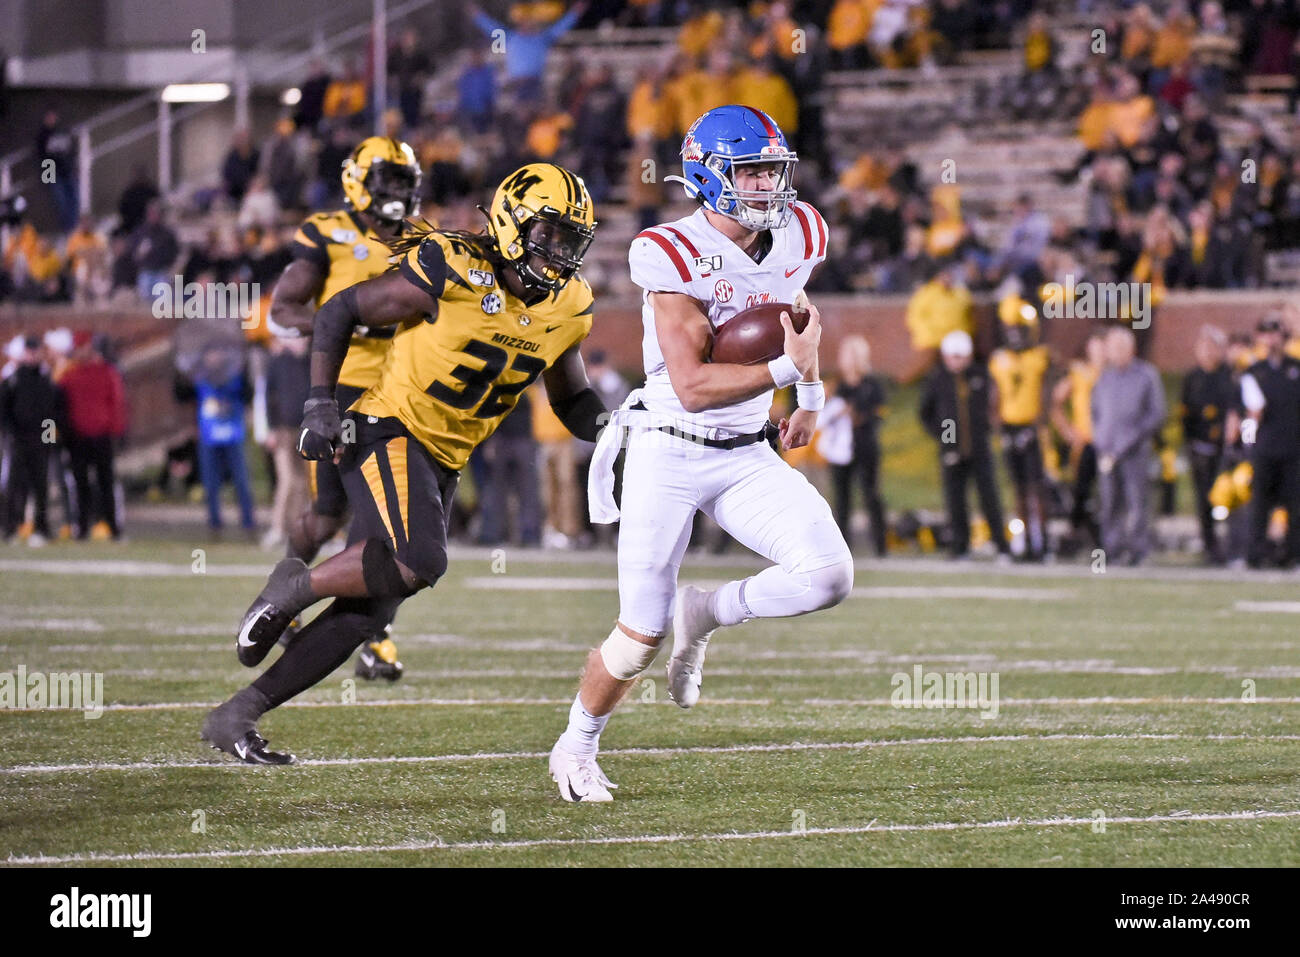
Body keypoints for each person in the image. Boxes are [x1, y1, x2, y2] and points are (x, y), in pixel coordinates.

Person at [201, 163, 604, 764]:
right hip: (387, 427)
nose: (561, 255)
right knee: (421, 559)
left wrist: (621, 430)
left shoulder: (570, 304)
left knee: (369, 610)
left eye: (573, 241)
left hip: (445, 456)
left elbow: (571, 397)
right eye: (551, 236)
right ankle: (296, 583)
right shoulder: (453, 266)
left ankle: (237, 713)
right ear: (513, 223)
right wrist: (317, 404)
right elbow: (339, 309)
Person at [549, 105, 853, 803]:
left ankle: (709, 610)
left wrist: (809, 392)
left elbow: (792, 307)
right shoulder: (670, 250)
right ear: (707, 176)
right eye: (749, 171)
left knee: (830, 574)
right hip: (669, 450)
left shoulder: (801, 228)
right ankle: (576, 745)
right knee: (638, 635)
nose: (766, 184)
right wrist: (786, 374)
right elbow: (689, 387)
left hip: (747, 449)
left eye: (772, 169)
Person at [266, 136, 423, 681]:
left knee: (382, 524)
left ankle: (372, 635)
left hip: (407, 396)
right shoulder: (327, 232)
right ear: (359, 182)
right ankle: (286, 586)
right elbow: (284, 308)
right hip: (344, 390)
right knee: (331, 514)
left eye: (405, 182)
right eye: (389, 182)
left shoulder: (426, 240)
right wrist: (351, 321)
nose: (398, 194)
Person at [920, 330, 1011, 561]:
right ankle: (960, 547)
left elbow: (994, 405)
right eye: (953, 356)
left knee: (989, 497)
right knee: (955, 500)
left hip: (980, 448)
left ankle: (1001, 546)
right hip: (952, 448)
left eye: (961, 356)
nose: (957, 361)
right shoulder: (938, 379)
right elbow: (926, 413)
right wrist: (944, 436)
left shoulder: (980, 375)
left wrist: (989, 428)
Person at [1091, 326, 1167, 566]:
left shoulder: (1146, 375)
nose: (1114, 353)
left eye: (1119, 347)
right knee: (1109, 502)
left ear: (1130, 349)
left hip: (1135, 451)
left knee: (1137, 502)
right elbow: (1096, 412)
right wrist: (1102, 440)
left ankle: (1138, 551)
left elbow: (1156, 413)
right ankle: (1111, 550)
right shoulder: (1105, 377)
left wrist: (1132, 437)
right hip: (1107, 451)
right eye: (1111, 348)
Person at [988, 303, 1050, 560]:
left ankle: (1042, 543)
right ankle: (1022, 541)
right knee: (1018, 489)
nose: (1016, 335)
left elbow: (1046, 396)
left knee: (1036, 487)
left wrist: (1038, 425)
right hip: (1010, 427)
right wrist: (998, 427)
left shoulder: (1040, 357)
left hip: (1031, 427)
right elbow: (994, 397)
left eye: (1020, 330)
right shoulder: (999, 360)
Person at [1239, 314, 1300, 568]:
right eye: (1266, 332)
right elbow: (1247, 414)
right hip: (1264, 449)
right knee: (1259, 505)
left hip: (1294, 449)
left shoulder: (1296, 368)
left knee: (1295, 505)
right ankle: (1255, 554)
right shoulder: (1254, 372)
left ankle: (1293, 554)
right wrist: (1247, 445)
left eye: (1275, 332)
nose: (1271, 338)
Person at [59, 332, 128, 539]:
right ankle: (81, 528)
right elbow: (58, 409)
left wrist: (118, 429)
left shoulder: (106, 372)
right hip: (76, 437)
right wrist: (59, 436)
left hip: (101, 435)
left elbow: (117, 402)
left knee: (106, 482)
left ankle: (113, 527)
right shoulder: (68, 376)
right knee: (80, 485)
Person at [828, 335, 887, 556]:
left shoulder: (871, 385)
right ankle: (842, 547)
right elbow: (824, 416)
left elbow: (879, 414)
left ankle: (881, 546)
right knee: (842, 499)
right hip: (839, 450)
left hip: (864, 446)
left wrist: (859, 416)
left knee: (872, 494)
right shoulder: (837, 386)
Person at [1180, 325, 1235, 564]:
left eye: (1212, 346)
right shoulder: (1192, 378)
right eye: (1203, 346)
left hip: (1226, 449)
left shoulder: (1230, 376)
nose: (1207, 352)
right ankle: (1209, 544)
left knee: (1229, 498)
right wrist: (1189, 442)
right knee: (1204, 500)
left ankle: (1232, 545)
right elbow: (1185, 413)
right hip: (1200, 446)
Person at [0, 336, 61, 544]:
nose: (32, 355)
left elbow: (51, 414)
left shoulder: (45, 380)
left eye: (35, 351)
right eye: (29, 351)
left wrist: (49, 440)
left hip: (40, 442)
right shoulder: (14, 379)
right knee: (15, 486)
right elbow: (4, 412)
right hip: (18, 441)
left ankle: (40, 528)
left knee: (41, 487)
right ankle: (11, 528)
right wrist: (11, 435)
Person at [1050, 331, 1106, 549]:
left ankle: (1101, 538)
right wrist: (1067, 431)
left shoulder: (1113, 373)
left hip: (1109, 442)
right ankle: (1078, 534)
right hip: (1085, 441)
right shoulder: (1079, 372)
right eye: (1096, 348)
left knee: (1107, 494)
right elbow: (1055, 402)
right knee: (1081, 491)